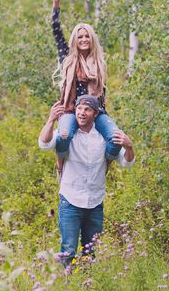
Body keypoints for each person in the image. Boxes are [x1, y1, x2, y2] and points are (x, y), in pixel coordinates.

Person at [38, 94, 135, 266]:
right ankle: (67, 284)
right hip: (70, 201)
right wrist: (51, 120)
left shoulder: (103, 138)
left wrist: (129, 146)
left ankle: (86, 282)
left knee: (90, 251)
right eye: (79, 108)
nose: (82, 113)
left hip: (95, 203)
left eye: (87, 109)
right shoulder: (68, 135)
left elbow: (127, 162)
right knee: (68, 250)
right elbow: (44, 144)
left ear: (95, 114)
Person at [51, 0, 122, 175]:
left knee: (116, 139)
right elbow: (57, 32)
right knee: (63, 137)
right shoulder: (67, 57)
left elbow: (102, 96)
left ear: (92, 39)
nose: (83, 39)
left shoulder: (99, 63)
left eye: (87, 36)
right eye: (80, 36)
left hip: (96, 111)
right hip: (71, 109)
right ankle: (60, 166)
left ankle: (104, 167)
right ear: (75, 40)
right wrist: (56, 6)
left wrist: (102, 115)